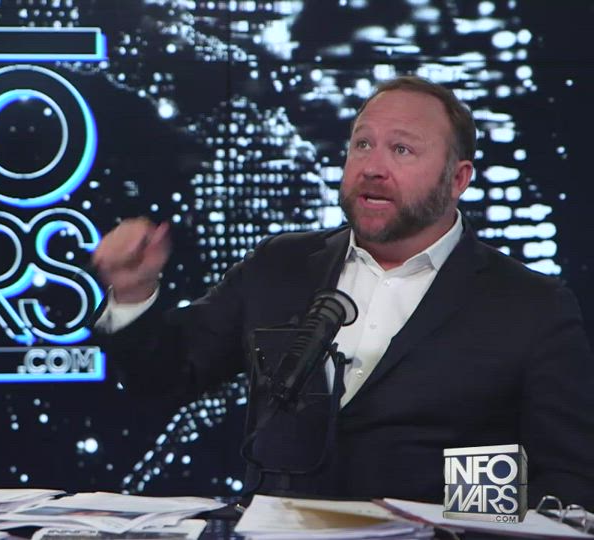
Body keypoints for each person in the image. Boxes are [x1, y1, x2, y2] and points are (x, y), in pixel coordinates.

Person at [91, 75, 594, 506]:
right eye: (362, 144)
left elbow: (565, 481)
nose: (372, 166)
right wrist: (133, 291)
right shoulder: (280, 265)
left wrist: (450, 518)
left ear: (457, 179)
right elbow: (166, 375)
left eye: (401, 149)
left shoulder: (530, 306)